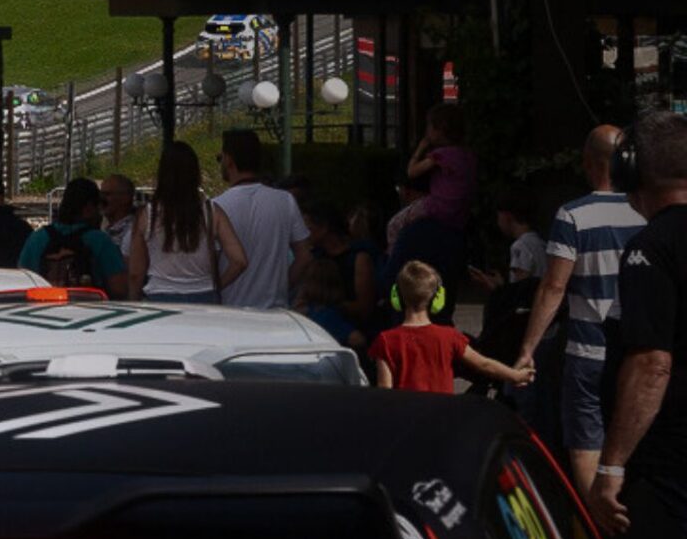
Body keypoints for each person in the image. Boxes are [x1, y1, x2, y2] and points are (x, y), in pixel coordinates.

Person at [591, 112, 687, 539]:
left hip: (670, 463)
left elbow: (652, 362)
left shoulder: (651, 247)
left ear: (630, 173)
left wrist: (612, 465)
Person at [518, 125, 645, 484]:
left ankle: (594, 526)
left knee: (586, 438)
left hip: (586, 352)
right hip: (636, 351)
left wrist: (527, 348)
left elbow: (554, 286)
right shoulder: (646, 213)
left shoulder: (573, 215)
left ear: (588, 162)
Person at [367, 260, 531, 394]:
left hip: (407, 425)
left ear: (396, 296)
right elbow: (484, 364)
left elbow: (385, 392)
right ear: (438, 298)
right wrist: (515, 376)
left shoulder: (386, 341)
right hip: (442, 420)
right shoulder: (449, 336)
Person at [128, 140, 247, 303]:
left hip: (159, 296)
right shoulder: (211, 211)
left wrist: (133, 300)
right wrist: (216, 285)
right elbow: (239, 260)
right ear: (195, 173)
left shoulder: (148, 214)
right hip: (204, 296)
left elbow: (136, 273)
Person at [212, 128, 305, 309]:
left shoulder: (216, 207)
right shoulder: (285, 201)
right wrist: (283, 286)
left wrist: (216, 290)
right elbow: (304, 254)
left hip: (230, 310)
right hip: (274, 309)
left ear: (229, 160)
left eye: (220, 157)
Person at [20, 178, 127, 293]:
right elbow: (119, 288)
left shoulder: (37, 239)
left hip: (44, 306)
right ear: (89, 208)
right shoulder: (100, 241)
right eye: (99, 207)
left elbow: (22, 281)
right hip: (89, 308)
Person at [296, 199, 377, 329]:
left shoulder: (358, 258)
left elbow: (365, 307)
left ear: (324, 227)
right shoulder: (314, 257)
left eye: (308, 228)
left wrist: (328, 307)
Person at [407, 102, 476, 228]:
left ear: (440, 130)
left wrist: (419, 149)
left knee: (394, 225)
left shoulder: (441, 155)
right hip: (460, 212)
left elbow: (412, 172)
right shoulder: (466, 154)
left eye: (430, 126)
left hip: (437, 207)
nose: (427, 131)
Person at [99, 172, 139, 269]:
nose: (101, 199)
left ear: (126, 198)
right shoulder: (107, 229)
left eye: (107, 194)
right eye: (100, 194)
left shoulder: (134, 232)